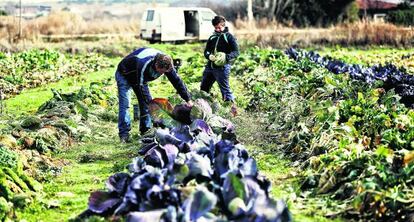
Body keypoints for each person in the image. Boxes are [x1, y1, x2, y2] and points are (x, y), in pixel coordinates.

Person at [115, 47, 192, 143]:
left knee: (145, 104)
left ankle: (145, 130)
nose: (161, 74)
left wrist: (188, 99)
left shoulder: (168, 65)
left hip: (140, 78)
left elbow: (177, 82)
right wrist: (154, 108)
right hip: (124, 74)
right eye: (160, 71)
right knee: (125, 104)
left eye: (164, 72)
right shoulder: (143, 63)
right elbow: (142, 88)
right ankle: (124, 135)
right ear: (156, 64)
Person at [201, 15, 240, 116]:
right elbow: (206, 51)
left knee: (225, 90)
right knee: (203, 88)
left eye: (219, 27)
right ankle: (204, 110)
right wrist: (209, 56)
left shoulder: (229, 37)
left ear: (223, 25)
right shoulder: (212, 37)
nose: (217, 29)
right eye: (215, 28)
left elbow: (236, 52)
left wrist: (226, 57)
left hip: (222, 68)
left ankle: (233, 113)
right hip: (210, 67)